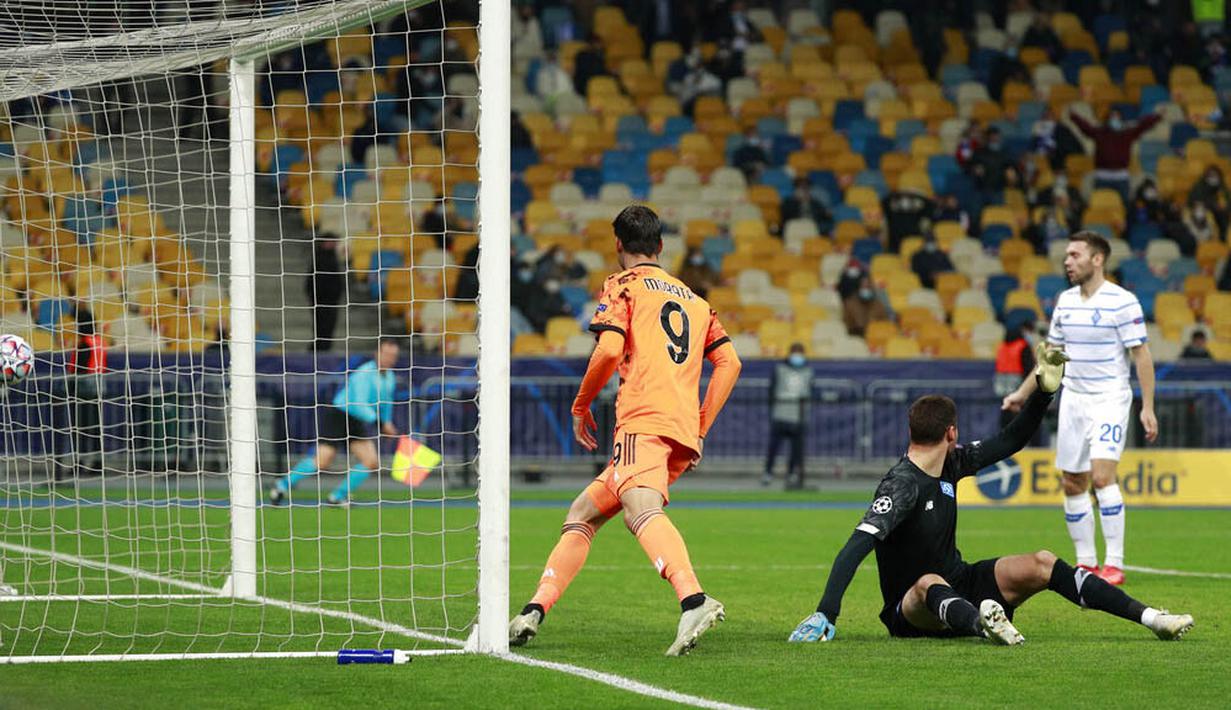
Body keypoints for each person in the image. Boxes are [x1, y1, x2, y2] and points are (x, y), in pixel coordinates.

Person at [788, 348, 1194, 645]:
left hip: (960, 581)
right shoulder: (901, 484)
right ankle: (984, 624)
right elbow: (856, 545)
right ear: (950, 432)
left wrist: (1043, 393)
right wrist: (828, 610)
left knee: (1042, 562)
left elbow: (1011, 439)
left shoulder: (952, 463)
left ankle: (1151, 618)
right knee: (928, 581)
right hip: (908, 609)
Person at [507, 205, 742, 655]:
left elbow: (609, 349)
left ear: (618, 244)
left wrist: (579, 406)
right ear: (660, 246)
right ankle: (534, 609)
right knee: (582, 514)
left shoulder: (623, 286)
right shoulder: (694, 298)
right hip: (677, 427)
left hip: (641, 420)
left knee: (639, 510)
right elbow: (730, 362)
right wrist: (700, 428)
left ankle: (693, 599)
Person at [1002, 232, 1158, 586]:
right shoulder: (1065, 301)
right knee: (1072, 481)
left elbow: (1142, 355)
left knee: (1102, 477)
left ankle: (1114, 563)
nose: (1067, 261)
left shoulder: (1123, 301)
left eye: (1075, 255)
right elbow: (1051, 356)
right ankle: (1086, 564)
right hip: (1073, 399)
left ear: (1097, 259)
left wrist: (1147, 406)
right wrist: (1021, 393)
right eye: (1067, 256)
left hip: (1109, 397)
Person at [269, 337, 403, 506]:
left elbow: (386, 403)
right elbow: (359, 404)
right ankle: (282, 484)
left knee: (371, 461)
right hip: (339, 415)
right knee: (323, 460)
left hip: (357, 420)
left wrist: (387, 422)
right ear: (377, 353)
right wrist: (380, 424)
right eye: (387, 354)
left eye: (393, 356)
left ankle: (337, 496)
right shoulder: (364, 374)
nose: (390, 359)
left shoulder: (389, 377)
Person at [1067, 108, 1161, 207]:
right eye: (1112, 117)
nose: (1115, 119)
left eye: (1117, 117)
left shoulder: (1127, 134)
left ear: (1121, 120)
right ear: (1108, 119)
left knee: (1124, 207)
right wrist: (1074, 117)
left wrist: (1156, 117)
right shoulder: (1100, 133)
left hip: (1121, 178)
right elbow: (1086, 128)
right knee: (1100, 206)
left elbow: (1142, 126)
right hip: (1102, 178)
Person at [64, 304, 107, 479]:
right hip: (98, 390)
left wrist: (69, 389)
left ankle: (79, 464)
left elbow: (78, 371)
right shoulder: (99, 342)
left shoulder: (84, 345)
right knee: (96, 430)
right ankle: (97, 464)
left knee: (79, 430)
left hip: (82, 392)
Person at [763, 343, 811, 489]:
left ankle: (791, 473)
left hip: (798, 416)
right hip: (780, 414)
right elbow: (772, 390)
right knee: (774, 447)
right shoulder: (780, 369)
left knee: (795, 450)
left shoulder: (808, 371)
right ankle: (768, 472)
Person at [305, 235, 345, 352]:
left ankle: (324, 349)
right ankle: (318, 350)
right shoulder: (319, 258)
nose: (333, 244)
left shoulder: (333, 258)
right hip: (320, 300)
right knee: (321, 327)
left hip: (332, 301)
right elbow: (311, 281)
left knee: (328, 328)